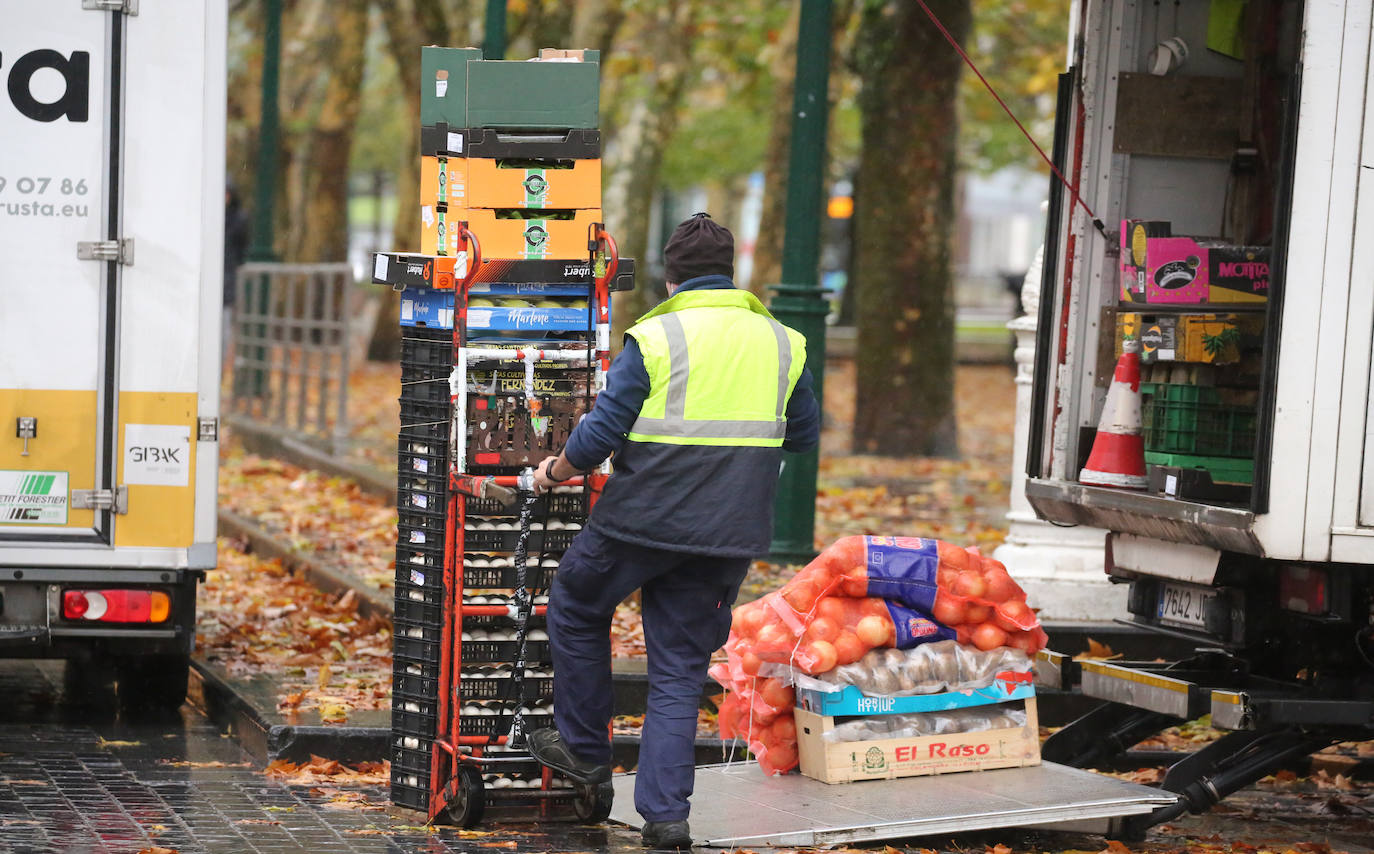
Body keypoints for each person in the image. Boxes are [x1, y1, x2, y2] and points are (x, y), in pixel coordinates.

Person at [525, 213, 821, 850]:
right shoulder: (783, 342)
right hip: (727, 532)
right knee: (679, 670)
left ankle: (582, 749)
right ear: (732, 274)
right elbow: (801, 437)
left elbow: (601, 434)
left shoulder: (656, 336)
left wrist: (554, 471)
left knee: (577, 603)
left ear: (670, 276)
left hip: (640, 522)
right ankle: (664, 820)